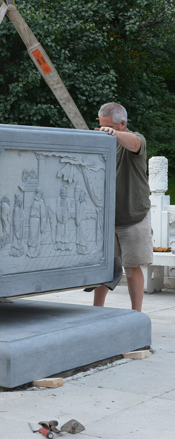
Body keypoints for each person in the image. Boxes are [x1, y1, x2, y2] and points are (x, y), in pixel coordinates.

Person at [93, 102, 152, 312]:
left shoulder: (135, 140)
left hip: (133, 217)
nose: (103, 130)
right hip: (108, 219)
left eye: (108, 126)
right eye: (101, 125)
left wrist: (113, 134)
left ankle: (137, 315)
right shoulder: (103, 141)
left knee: (132, 267)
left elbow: (134, 142)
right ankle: (96, 311)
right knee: (104, 269)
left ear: (122, 123)